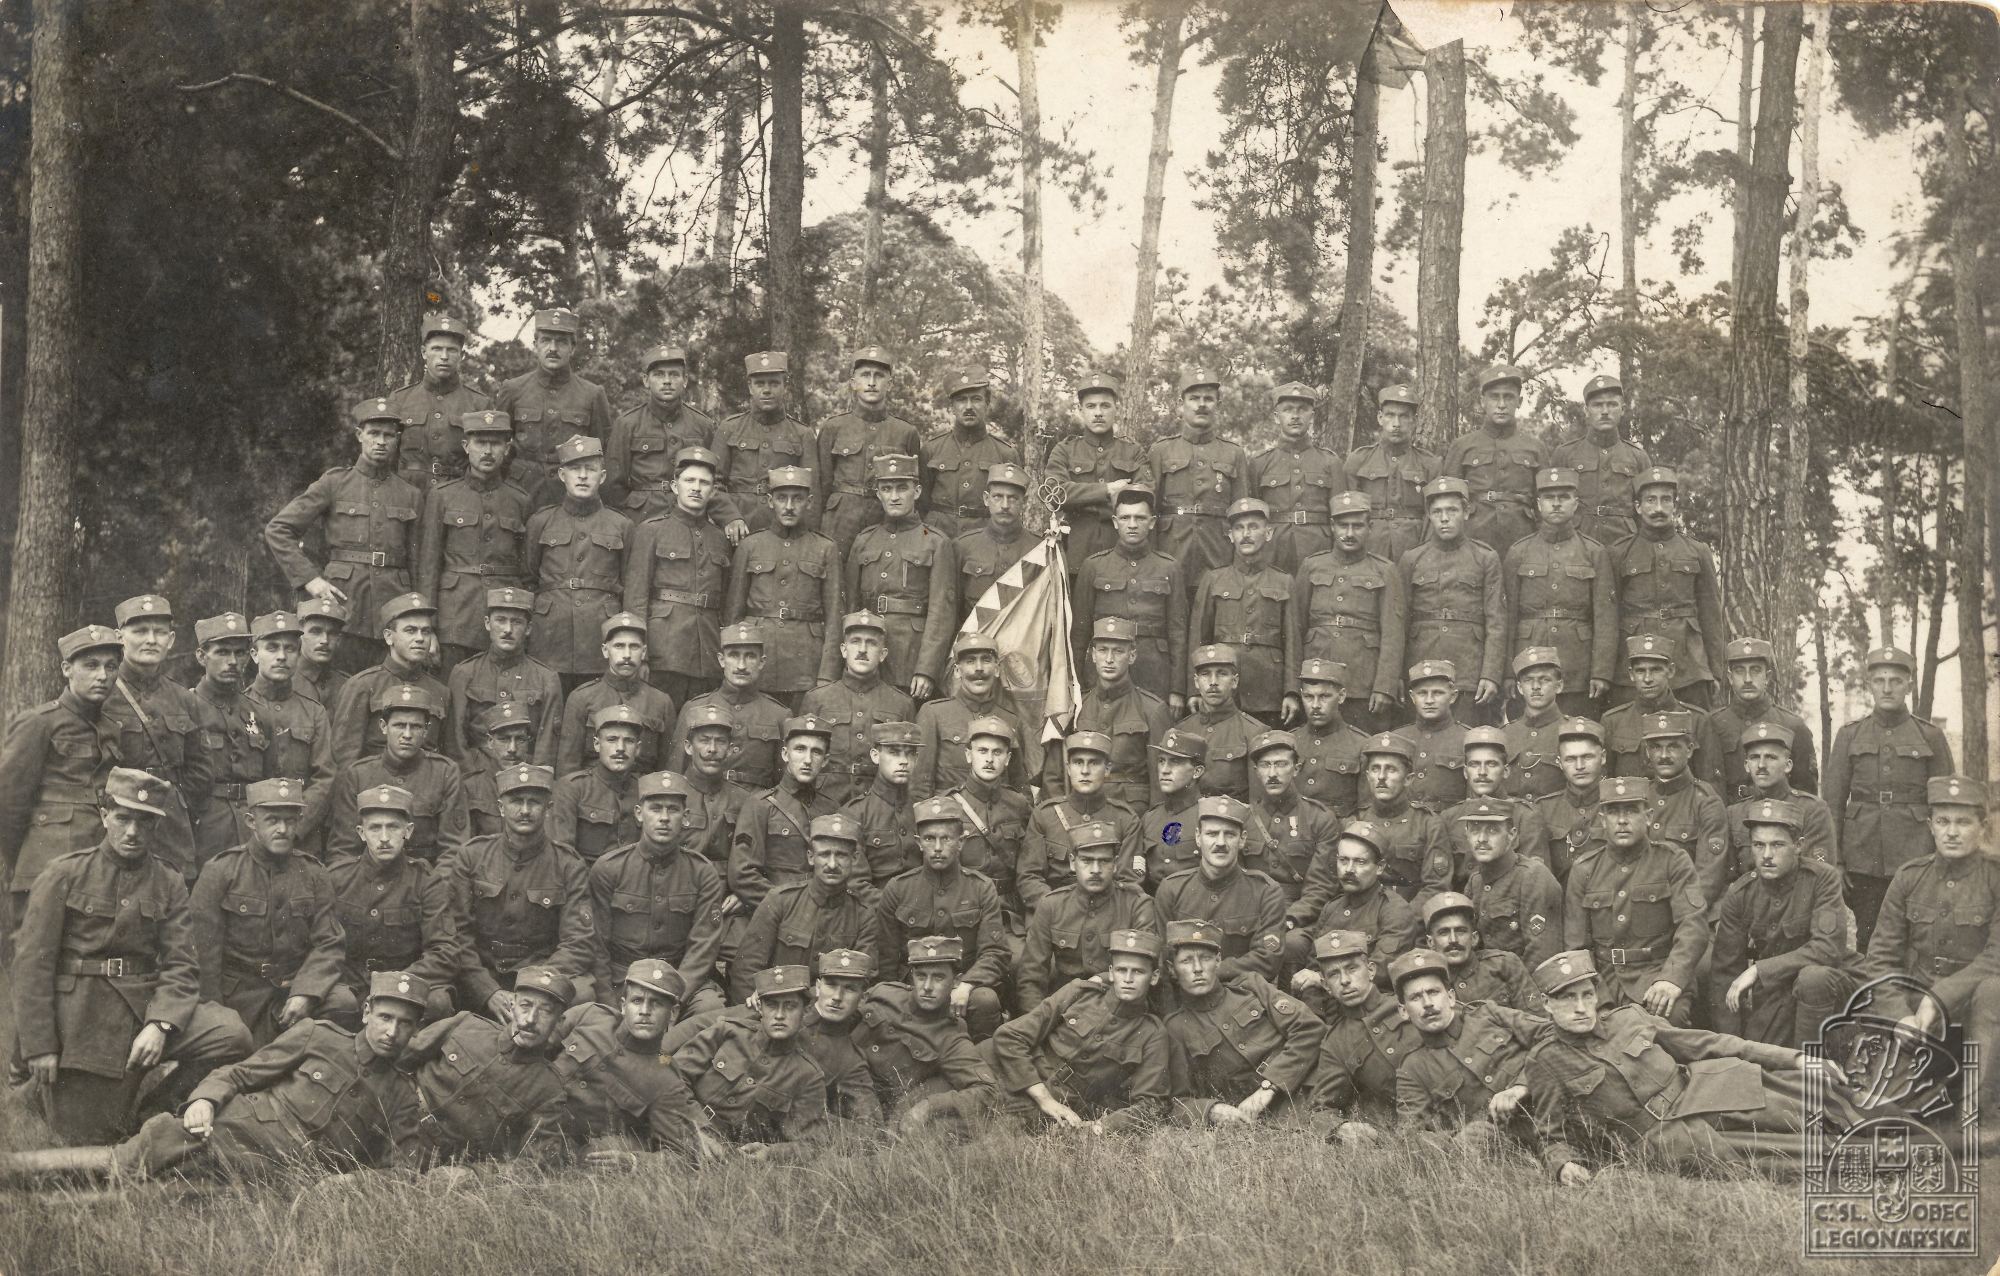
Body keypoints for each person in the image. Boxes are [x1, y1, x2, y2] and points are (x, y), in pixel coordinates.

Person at [12, 768, 254, 1143]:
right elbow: (32, 966)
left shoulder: (168, 880)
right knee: (90, 1141)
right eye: (123, 818)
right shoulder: (65, 873)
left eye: (144, 822)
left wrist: (161, 1024)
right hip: (84, 1020)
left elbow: (181, 966)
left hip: (144, 1007)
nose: (132, 832)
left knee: (231, 1034)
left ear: (155, 827)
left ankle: (156, 1110)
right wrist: (40, 1046)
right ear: (104, 814)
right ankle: (41, 1095)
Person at [1524, 949, 1855, 1182]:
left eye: (1586, 995)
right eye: (1567, 998)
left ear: (1596, 996)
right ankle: (1886, 1157)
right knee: (1789, 1156)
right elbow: (1550, 1133)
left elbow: (1708, 1043)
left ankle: (1883, 1123)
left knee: (1812, 1104)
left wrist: (1795, 1057)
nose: (1581, 1008)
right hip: (1664, 1139)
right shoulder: (1546, 1060)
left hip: (1706, 1090)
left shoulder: (1630, 1018)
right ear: (1547, 1004)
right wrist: (1563, 1165)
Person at [99, 970, 429, 1183]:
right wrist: (204, 1099)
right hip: (238, 1128)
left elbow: (403, 1171)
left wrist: (347, 1182)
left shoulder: (401, 1095)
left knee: (175, 1194)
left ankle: (70, 1202)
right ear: (367, 1011)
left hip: (280, 1173)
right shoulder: (319, 1035)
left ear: (417, 1028)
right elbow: (241, 1073)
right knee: (144, 1148)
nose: (392, 1032)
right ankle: (53, 1175)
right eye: (385, 1017)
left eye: (405, 1024)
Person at [1863, 775, 2000, 1111]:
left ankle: (1977, 1107)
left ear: (1982, 827)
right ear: (1930, 826)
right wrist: (1899, 1015)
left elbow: (1996, 956)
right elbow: (1881, 958)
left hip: (1974, 1008)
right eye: (1943, 821)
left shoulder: (1995, 878)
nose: (1952, 832)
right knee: (1883, 1108)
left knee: (1993, 990)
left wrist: (1939, 998)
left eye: (1963, 822)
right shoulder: (1909, 877)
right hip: (1917, 1010)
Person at [264, 399, 424, 676]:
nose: (381, 442)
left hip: (393, 607)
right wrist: (311, 580)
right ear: (359, 435)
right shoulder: (335, 483)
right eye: (373, 433)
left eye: (388, 435)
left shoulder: (410, 494)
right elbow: (279, 529)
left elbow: (420, 561)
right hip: (343, 606)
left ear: (397, 440)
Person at [189, 777, 345, 1046]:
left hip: (293, 991)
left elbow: (329, 944)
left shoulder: (314, 873)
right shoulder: (221, 871)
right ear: (251, 822)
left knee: (343, 1003)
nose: (283, 829)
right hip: (241, 995)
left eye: (291, 820)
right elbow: (204, 952)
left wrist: (307, 991)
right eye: (272, 820)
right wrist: (215, 1010)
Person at [0, 625, 124, 952]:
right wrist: (27, 859)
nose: (102, 675)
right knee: (36, 962)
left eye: (111, 667)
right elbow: (8, 806)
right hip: (45, 868)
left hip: (99, 867)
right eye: (91, 665)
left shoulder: (112, 729)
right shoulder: (39, 723)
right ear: (67, 669)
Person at [1826, 645, 1955, 951]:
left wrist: (1942, 859)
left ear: (1909, 685)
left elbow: (1945, 804)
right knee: (1868, 938)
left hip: (1916, 855)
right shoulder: (1849, 736)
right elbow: (1832, 803)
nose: (1887, 688)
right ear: (1869, 684)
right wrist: (1837, 861)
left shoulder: (1929, 736)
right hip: (1862, 858)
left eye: (1895, 680)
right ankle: (1871, 997)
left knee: (1917, 937)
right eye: (1879, 680)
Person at [985, 927, 1172, 1133]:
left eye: (1138, 971)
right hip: (1017, 1074)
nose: (1128, 978)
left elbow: (1151, 1103)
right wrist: (1044, 1098)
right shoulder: (1080, 994)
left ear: (1154, 977)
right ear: (1110, 973)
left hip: (1060, 1108)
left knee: (981, 1123)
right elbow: (1010, 1035)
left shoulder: (1152, 1033)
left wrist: (1100, 1128)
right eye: (1121, 970)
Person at [447, 763, 593, 1019]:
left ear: (548, 809)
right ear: (501, 808)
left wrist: (534, 987)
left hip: (541, 975)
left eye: (534, 802)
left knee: (583, 994)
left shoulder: (568, 864)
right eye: (516, 801)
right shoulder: (472, 857)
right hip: (482, 974)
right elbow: (458, 934)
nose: (525, 810)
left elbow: (577, 943)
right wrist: (487, 991)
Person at [1710, 798, 1858, 1049]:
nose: (1767, 855)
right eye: (1758, 845)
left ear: (1799, 846)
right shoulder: (1741, 893)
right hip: (1777, 991)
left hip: (1832, 985)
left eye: (1777, 845)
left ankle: (1811, 1072)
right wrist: (1730, 1043)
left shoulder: (1822, 879)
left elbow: (1827, 949)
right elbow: (1724, 973)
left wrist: (1759, 970)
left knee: (1813, 979)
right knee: (1757, 1056)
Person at [1561, 777, 1708, 1026]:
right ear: (1601, 820)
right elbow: (1577, 947)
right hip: (1603, 982)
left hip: (1655, 977)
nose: (1622, 820)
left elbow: (1692, 927)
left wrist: (1670, 980)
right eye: (1613, 812)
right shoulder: (1584, 869)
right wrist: (1596, 997)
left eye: (1631, 810)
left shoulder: (1673, 860)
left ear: (1648, 816)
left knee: (1667, 1025)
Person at [404, 966, 577, 1163]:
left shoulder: (549, 1090)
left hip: (440, 1159)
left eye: (546, 1011)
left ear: (560, 1022)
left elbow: (535, 1163)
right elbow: (401, 1055)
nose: (530, 1020)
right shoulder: (466, 1024)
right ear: (512, 1005)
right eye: (525, 1005)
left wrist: (473, 1175)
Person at [1162, 918, 1325, 1126]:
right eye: (1186, 961)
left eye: (1205, 959)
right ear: (1172, 969)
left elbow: (1310, 1028)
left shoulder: (1251, 986)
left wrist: (1269, 1086)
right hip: (1260, 1119)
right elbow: (1176, 1101)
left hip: (1308, 1084)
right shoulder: (1175, 1027)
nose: (1197, 969)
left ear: (1218, 960)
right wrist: (1211, 1109)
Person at [589, 769, 727, 1015]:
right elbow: (597, 945)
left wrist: (674, 999)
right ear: (639, 814)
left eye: (673, 810)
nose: (664, 817)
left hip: (679, 979)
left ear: (685, 817)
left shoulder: (702, 872)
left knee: (711, 1008)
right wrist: (610, 1001)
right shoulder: (609, 867)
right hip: (623, 978)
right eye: (656, 808)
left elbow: (702, 949)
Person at [553, 958, 715, 1167]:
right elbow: (539, 1043)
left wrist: (633, 1160)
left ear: (673, 1014)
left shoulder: (665, 1078)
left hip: (578, 1151)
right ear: (623, 1006)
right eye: (637, 1001)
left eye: (656, 1003)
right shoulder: (589, 1015)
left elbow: (679, 1154)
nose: (644, 1011)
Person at [322, 784, 462, 1026]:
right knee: (338, 1002)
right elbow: (322, 944)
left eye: (393, 827)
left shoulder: (426, 881)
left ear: (408, 831)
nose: (384, 838)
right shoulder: (337, 878)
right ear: (361, 832)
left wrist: (396, 981)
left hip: (407, 980)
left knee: (439, 1002)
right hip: (352, 983)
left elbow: (444, 952)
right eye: (375, 828)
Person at [876, 798, 1010, 1039]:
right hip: (913, 985)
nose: (937, 847)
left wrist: (967, 985)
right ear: (918, 843)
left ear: (961, 842)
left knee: (985, 1000)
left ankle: (981, 1063)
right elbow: (886, 960)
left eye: (946, 838)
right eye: (929, 839)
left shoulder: (981, 888)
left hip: (960, 986)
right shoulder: (898, 889)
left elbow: (995, 953)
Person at [102, 594, 211, 882]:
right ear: (119, 637)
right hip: (119, 825)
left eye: (160, 632)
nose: (151, 640)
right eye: (139, 631)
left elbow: (200, 769)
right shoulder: (102, 694)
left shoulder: (184, 699)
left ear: (171, 639)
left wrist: (177, 803)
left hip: (169, 825)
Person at [417, 410, 532, 671]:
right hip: (454, 616)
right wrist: (428, 627)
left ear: (507, 448)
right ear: (466, 446)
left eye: (496, 443)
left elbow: (527, 571)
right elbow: (428, 565)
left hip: (504, 616)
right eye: (481, 443)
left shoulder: (520, 500)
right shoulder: (443, 496)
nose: (488, 451)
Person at [1388, 947, 1539, 1145]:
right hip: (1509, 1152)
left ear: (1450, 997)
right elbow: (1409, 1137)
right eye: (1415, 997)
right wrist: (1455, 1140)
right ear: (1403, 1011)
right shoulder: (1412, 1069)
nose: (1427, 1003)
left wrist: (1522, 1085)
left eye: (1433, 992)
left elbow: (1551, 1034)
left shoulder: (1489, 1015)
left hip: (1552, 1113)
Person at [675, 964, 836, 1148]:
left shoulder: (807, 1075)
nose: (780, 1015)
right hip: (683, 1122)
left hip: (728, 1155)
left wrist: (770, 1152)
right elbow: (674, 1077)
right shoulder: (726, 1032)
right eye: (771, 1005)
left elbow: (812, 1142)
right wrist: (697, 1127)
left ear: (805, 1010)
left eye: (790, 1006)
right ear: (760, 1007)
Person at [1606, 466, 1727, 709]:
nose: (1658, 508)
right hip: (1636, 664)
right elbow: (1609, 616)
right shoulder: (1619, 553)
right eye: (1650, 501)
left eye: (1666, 500)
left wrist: (1717, 671)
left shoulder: (1697, 551)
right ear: (1638, 507)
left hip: (1689, 664)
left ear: (1674, 506)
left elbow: (1711, 615)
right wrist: (1608, 672)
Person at [724, 465, 841, 709]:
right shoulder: (751, 546)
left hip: (805, 664)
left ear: (809, 502)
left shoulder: (825, 548)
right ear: (769, 501)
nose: (789, 506)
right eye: (781, 498)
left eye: (797, 499)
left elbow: (834, 617)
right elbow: (733, 613)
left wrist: (827, 673)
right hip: (758, 663)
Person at [622, 446, 731, 706]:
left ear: (713, 491)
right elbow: (636, 596)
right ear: (674, 486)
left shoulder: (719, 538)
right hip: (665, 649)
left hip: (707, 649)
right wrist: (642, 654)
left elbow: (725, 600)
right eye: (689, 480)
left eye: (704, 483)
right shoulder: (651, 531)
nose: (696, 488)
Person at [841, 453, 956, 700]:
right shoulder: (864, 540)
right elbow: (850, 605)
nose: (894, 496)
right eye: (886, 488)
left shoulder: (935, 542)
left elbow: (941, 614)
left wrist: (927, 669)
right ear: (878, 493)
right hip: (866, 656)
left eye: (902, 488)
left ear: (916, 491)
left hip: (910, 658)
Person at [733, 813, 881, 1003]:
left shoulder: (864, 915)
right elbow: (747, 968)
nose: (832, 864)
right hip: (775, 1012)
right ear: (811, 857)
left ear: (854, 858)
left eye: (841, 855)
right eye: (825, 854)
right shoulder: (780, 900)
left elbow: (863, 979)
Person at [524, 434, 632, 695]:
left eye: (590, 469)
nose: (583, 476)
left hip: (597, 634)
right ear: (562, 475)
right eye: (575, 469)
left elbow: (629, 586)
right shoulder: (541, 522)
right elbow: (527, 577)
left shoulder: (621, 525)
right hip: (550, 634)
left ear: (603, 477)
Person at [1503, 467, 1615, 717]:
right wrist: (1508, 672)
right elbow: (1507, 617)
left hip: (1577, 664)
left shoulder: (1594, 553)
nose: (1556, 504)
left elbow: (1605, 618)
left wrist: (1601, 672)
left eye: (1563, 497)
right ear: (1538, 504)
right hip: (1528, 662)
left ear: (1575, 503)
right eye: (1549, 498)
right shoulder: (1519, 552)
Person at [850, 936, 1000, 1122]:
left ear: (956, 981)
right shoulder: (883, 992)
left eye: (938, 977)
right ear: (912, 975)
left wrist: (930, 1105)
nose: (927, 987)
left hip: (875, 1110)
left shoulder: (951, 1035)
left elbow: (987, 1091)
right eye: (921, 976)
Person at [1292, 493, 1406, 737]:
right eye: (1343, 525)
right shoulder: (1312, 566)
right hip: (1317, 678)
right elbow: (1295, 629)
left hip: (1362, 681)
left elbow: (1393, 634)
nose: (1350, 533)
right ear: (1332, 527)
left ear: (1370, 528)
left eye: (1357, 526)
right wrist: (1294, 687)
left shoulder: (1385, 570)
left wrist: (1384, 687)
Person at [1017, 821, 1160, 1014]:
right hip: (1065, 1011)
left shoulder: (1136, 904)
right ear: (1072, 862)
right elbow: (1031, 977)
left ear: (1116, 864)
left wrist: (1101, 979)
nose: (1095, 869)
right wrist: (1038, 1022)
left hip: (1118, 1012)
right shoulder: (1051, 905)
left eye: (1104, 861)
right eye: (1087, 860)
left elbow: (1141, 968)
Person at [1399, 477, 1506, 726]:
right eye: (1437, 512)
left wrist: (1490, 674)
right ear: (1429, 515)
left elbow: (1496, 620)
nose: (1444, 518)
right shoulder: (1412, 559)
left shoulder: (1485, 558)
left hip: (1468, 667)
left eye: (1452, 510)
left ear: (1466, 512)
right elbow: (1399, 621)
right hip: (1421, 663)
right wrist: (1399, 675)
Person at [1071, 486, 1188, 711]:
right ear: (1115, 522)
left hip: (1154, 672)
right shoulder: (1094, 566)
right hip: (1103, 673)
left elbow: (1178, 633)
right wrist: (1076, 684)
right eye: (1125, 518)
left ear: (1152, 522)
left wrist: (1177, 690)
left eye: (1140, 518)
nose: (1132, 524)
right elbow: (1079, 634)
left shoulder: (1169, 567)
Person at [1297, 929, 1421, 1143]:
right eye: (1334, 974)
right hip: (1400, 1138)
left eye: (1352, 968)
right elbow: (1322, 1109)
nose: (1345, 980)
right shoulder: (1336, 1042)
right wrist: (1340, 1128)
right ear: (1325, 985)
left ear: (1371, 970)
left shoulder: (1409, 1004)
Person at [325, 684, 469, 867]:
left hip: (427, 882)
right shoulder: (358, 774)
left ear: (426, 731)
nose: (407, 735)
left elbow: (453, 849)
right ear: (384, 727)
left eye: (415, 727)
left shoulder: (445, 772)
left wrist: (435, 889)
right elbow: (343, 849)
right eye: (399, 725)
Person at [1153, 796, 1288, 984]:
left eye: (1230, 834)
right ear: (1198, 838)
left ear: (1242, 840)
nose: (1221, 842)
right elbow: (1163, 957)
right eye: (1212, 834)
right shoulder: (1172, 889)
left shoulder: (1266, 892)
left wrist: (1208, 971)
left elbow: (1267, 960)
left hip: (1242, 1000)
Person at [492, 306, 616, 509]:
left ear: (573, 348)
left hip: (569, 496)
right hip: (521, 491)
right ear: (535, 345)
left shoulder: (592, 394)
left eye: (561, 342)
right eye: (546, 340)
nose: (553, 348)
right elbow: (499, 448)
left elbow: (603, 454)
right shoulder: (513, 389)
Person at [1189, 499, 1299, 725]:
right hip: (1221, 686)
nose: (1245, 534)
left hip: (1268, 687)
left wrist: (1291, 691)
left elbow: (1293, 643)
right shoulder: (1213, 580)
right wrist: (1193, 689)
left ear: (1268, 533)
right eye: (1239, 528)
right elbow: (1198, 638)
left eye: (1253, 527)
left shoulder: (1284, 581)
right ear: (1230, 535)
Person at [242, 611, 336, 855]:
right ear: (254, 655)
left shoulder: (314, 712)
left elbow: (324, 779)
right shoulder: (238, 708)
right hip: (250, 837)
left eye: (290, 649)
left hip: (302, 838)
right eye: (272, 648)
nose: (282, 656)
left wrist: (296, 827)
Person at [1021, 732, 1143, 916]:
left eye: (1094, 763)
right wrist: (1058, 910)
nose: (1085, 770)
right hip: (1055, 916)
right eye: (1078, 762)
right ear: (1068, 768)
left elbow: (1129, 883)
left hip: (1107, 917)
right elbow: (1029, 878)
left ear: (1108, 769)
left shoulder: (1125, 819)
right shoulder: (1045, 815)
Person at [800, 611, 915, 806]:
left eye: (871, 643)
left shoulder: (901, 704)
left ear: (883, 654)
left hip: (881, 805)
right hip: (826, 802)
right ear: (844, 650)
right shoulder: (817, 699)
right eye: (855, 642)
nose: (862, 649)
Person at [1286, 819, 1422, 985]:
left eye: (1360, 862)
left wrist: (1322, 980)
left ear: (1379, 867)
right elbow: (1315, 963)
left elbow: (1380, 970)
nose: (1349, 869)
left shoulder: (1395, 910)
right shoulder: (1332, 907)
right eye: (1343, 860)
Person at [605, 344, 729, 525]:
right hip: (641, 517)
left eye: (674, 374)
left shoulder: (702, 425)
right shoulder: (627, 424)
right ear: (646, 380)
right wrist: (627, 521)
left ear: (685, 380)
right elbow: (612, 485)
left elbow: (714, 477)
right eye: (659, 374)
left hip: (690, 517)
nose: (667, 381)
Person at [1149, 371, 1249, 594]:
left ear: (1218, 405)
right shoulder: (1161, 450)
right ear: (1180, 404)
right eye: (1194, 398)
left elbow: (1241, 514)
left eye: (1208, 398)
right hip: (1172, 548)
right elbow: (1150, 510)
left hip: (1218, 551)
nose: (1201, 405)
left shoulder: (1234, 453)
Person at [730, 715, 837, 916]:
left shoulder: (831, 809)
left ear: (825, 761)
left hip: (824, 915)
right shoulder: (760, 805)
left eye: (816, 752)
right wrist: (790, 905)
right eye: (800, 749)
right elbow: (742, 875)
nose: (807, 760)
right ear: (785, 754)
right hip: (778, 914)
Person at [818, 346, 922, 549]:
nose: (872, 382)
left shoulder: (906, 432)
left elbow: (916, 490)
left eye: (879, 376)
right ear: (853, 383)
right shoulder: (833, 427)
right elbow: (821, 484)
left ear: (889, 384)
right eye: (865, 375)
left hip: (885, 520)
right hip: (839, 521)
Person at [327, 592, 447, 768]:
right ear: (389, 636)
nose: (420, 638)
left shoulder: (441, 691)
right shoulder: (362, 685)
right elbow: (345, 759)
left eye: (426, 631)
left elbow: (446, 757)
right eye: (410, 630)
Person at [443, 587, 561, 766]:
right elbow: (456, 741)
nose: (508, 629)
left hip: (525, 774)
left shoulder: (546, 678)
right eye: (500, 620)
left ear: (528, 628)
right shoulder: (464, 673)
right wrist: (471, 779)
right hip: (477, 774)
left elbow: (546, 746)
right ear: (487, 623)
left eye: (516, 622)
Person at [665, 623, 791, 787]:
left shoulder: (779, 715)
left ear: (762, 662)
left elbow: (783, 783)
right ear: (721, 660)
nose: (741, 666)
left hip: (756, 808)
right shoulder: (694, 708)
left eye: (750, 656)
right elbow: (675, 772)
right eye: (733, 655)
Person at [1696, 636, 1819, 800]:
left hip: (1779, 819)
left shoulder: (1792, 725)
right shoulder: (1712, 724)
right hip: (1727, 819)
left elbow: (1806, 792)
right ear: (1730, 677)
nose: (1748, 679)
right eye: (1740, 671)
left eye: (1755, 670)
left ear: (1767, 677)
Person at [189, 613, 266, 872]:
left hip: (252, 827)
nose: (232, 661)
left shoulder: (258, 712)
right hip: (205, 825)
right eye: (222, 652)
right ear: (201, 656)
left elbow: (270, 773)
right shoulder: (186, 708)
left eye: (240, 653)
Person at [1049, 371, 1148, 572]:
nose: (1098, 413)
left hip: (1122, 550)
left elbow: (1145, 495)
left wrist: (1078, 498)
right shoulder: (1064, 450)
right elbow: (1054, 494)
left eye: (1105, 405)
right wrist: (1108, 491)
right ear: (1080, 410)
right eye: (1091, 406)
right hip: (1076, 551)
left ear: (1116, 409)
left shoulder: (1133, 451)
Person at [914, 631, 1030, 802]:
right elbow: (919, 785)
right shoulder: (933, 714)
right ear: (957, 671)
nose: (979, 669)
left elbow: (1020, 788)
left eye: (986, 660)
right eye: (970, 661)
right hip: (948, 818)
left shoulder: (1011, 721)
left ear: (997, 669)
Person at [1636, 710, 1731, 918]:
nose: (1663, 756)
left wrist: (1680, 915)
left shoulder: (1706, 801)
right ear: (1647, 752)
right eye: (1655, 747)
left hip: (1688, 914)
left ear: (1689, 750)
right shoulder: (1638, 799)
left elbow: (1708, 877)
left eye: (1672, 747)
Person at [554, 613, 675, 775]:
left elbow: (667, 767)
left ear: (644, 652)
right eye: (619, 646)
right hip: (592, 793)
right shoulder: (581, 698)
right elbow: (568, 766)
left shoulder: (661, 702)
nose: (627, 654)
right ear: (605, 650)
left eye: (634, 647)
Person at [1443, 364, 1546, 553]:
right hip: (1474, 537)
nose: (1501, 404)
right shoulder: (1462, 446)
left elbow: (1545, 502)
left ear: (1520, 401)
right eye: (1494, 397)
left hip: (1522, 537)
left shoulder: (1535, 448)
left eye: (1508, 397)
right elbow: (1448, 500)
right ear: (1483, 401)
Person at [716, 350, 818, 538]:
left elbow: (812, 493)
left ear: (785, 386)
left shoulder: (803, 434)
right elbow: (714, 483)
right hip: (737, 529)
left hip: (783, 531)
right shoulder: (729, 428)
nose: (766, 390)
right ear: (749, 386)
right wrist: (730, 518)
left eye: (774, 383)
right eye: (759, 383)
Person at [938, 715, 1032, 917]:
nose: (989, 759)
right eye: (982, 751)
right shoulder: (948, 805)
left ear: (1007, 759)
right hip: (962, 908)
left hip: (1009, 911)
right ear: (968, 755)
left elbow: (1029, 866)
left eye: (997, 752)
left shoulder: (1019, 805)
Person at [1458, 796, 1565, 973]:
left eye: (1492, 830)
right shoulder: (1475, 881)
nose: (1482, 839)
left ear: (1512, 834)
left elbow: (1541, 956)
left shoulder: (1533, 876)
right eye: (1475, 830)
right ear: (1466, 833)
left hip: (1524, 988)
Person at [1344, 732, 1453, 904]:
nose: (1381, 777)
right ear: (1367, 776)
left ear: (1408, 779)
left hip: (1410, 920)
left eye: (1391, 769)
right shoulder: (1353, 822)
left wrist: (1400, 920)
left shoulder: (1428, 823)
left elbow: (1436, 887)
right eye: (1375, 769)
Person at [388, 314, 491, 493]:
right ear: (423, 353)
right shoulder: (400, 400)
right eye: (436, 349)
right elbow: (388, 457)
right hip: (408, 493)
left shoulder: (479, 404)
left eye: (451, 350)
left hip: (458, 495)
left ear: (461, 355)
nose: (444, 356)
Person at [1244, 730, 1342, 915]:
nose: (1272, 773)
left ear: (1296, 768)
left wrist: (1291, 919)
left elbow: (1321, 886)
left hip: (1297, 914)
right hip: (1250, 912)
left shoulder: (1319, 818)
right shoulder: (1244, 817)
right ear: (1256, 771)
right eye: (1265, 765)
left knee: (1294, 944)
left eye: (1281, 764)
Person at [1249, 382, 1343, 573]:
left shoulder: (1330, 462)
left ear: (1312, 416)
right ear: (1277, 417)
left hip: (1319, 548)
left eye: (1302, 410)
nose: (1295, 416)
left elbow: (1340, 516)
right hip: (1274, 549)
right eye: (1287, 410)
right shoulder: (1259, 463)